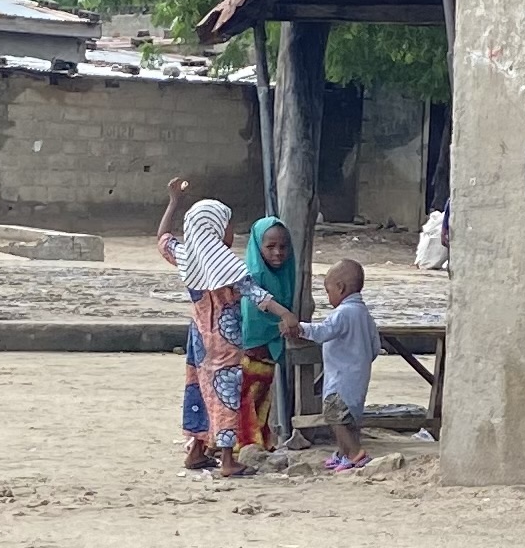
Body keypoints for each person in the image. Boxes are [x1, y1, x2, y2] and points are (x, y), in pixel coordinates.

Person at [156, 178, 297, 478]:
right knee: (226, 394)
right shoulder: (227, 267)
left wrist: (173, 203)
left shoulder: (187, 258)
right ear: (217, 229)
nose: (233, 231)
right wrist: (285, 313)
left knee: (199, 389)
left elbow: (164, 238)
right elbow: (258, 296)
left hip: (197, 337)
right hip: (223, 342)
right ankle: (227, 460)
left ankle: (196, 451)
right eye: (228, 224)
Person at [291, 259, 380, 472]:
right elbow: (376, 346)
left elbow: (323, 332)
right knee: (348, 420)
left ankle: (355, 453)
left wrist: (299, 328)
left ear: (340, 288)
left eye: (328, 291)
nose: (328, 296)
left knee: (335, 418)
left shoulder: (343, 313)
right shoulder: (364, 314)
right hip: (358, 378)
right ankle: (342, 453)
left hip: (340, 379)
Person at [239, 216, 296, 451]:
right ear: (257, 246)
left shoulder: (287, 272)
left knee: (262, 397)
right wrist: (284, 319)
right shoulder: (253, 275)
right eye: (270, 247)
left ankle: (259, 440)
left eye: (283, 246)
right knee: (247, 397)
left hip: (270, 348)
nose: (278, 253)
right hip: (253, 346)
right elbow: (254, 314)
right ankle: (245, 444)